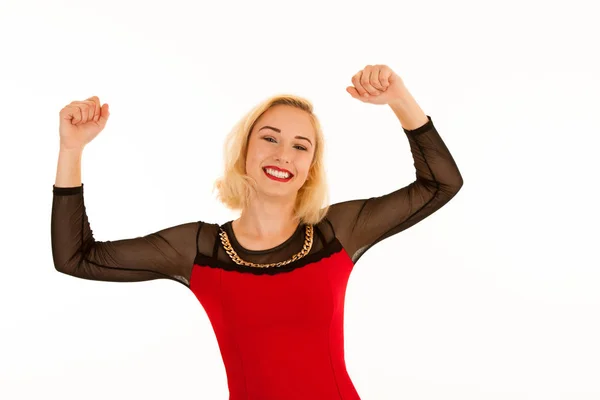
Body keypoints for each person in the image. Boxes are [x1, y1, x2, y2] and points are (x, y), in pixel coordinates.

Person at [51, 64, 463, 400]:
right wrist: (72, 150)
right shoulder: (197, 248)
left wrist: (400, 101)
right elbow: (76, 258)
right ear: (245, 150)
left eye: (301, 146)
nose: (283, 154)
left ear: (309, 168)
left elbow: (441, 184)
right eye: (270, 139)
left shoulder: (336, 232)